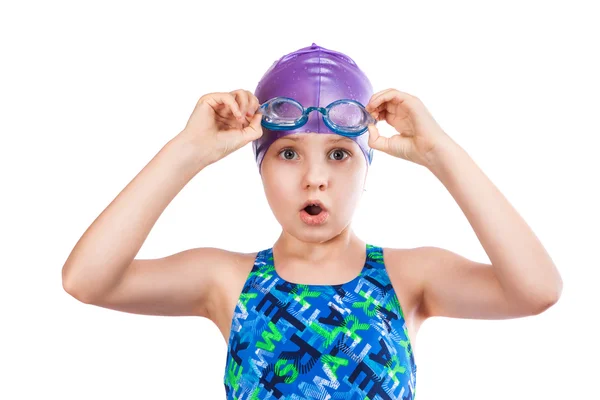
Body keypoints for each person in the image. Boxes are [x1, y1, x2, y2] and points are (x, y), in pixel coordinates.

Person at [62, 43, 563, 399]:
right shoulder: (227, 281)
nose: (315, 178)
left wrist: (440, 152)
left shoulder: (410, 279)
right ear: (258, 163)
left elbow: (537, 289)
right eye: (288, 154)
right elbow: (86, 280)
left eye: (341, 155)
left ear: (369, 164)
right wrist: (186, 152)